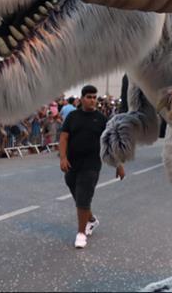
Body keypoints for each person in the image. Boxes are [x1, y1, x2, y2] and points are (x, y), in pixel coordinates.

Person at [59, 85, 125, 249]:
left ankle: (81, 234)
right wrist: (63, 158)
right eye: (89, 97)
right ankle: (91, 220)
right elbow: (64, 137)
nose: (92, 100)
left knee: (83, 196)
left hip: (92, 164)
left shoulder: (102, 119)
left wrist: (118, 164)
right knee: (77, 194)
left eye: (94, 97)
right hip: (72, 163)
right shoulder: (72, 117)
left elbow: (110, 143)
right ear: (82, 99)